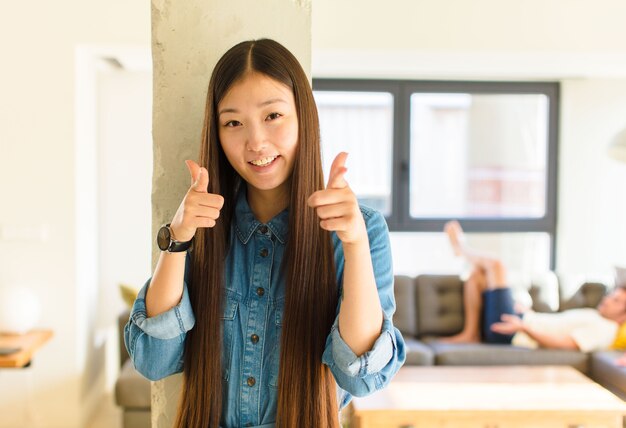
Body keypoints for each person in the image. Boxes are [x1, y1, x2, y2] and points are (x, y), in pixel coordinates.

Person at [124, 39, 405, 428]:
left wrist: (354, 245)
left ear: (303, 116)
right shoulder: (201, 227)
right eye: (233, 122)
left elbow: (359, 375)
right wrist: (178, 239)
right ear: (217, 133)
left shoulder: (362, 229)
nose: (255, 142)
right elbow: (153, 361)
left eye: (273, 115)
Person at [441, 220, 626, 351]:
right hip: (520, 321)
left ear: (623, 316)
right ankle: (470, 334)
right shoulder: (595, 315)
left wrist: (523, 327)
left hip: (512, 333)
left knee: (497, 265)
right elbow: (554, 325)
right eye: (612, 295)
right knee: (477, 276)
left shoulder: (606, 329)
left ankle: (461, 249)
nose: (607, 300)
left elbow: (565, 343)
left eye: (616, 301)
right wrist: (528, 315)